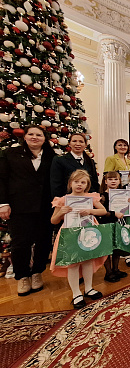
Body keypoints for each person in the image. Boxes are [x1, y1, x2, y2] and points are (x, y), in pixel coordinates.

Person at [0, 125, 56, 296]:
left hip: (45, 206)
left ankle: (37, 272)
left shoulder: (51, 156)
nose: (34, 137)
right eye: (30, 134)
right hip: (20, 206)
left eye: (38, 135)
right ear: (24, 137)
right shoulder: (10, 154)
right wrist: (3, 203)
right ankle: (22, 276)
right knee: (20, 243)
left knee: (44, 241)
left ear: (44, 138)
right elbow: (1, 179)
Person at [50, 169, 107, 309]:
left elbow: (103, 211)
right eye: (76, 182)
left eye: (83, 182)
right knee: (73, 263)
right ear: (70, 183)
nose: (79, 185)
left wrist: (91, 211)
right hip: (70, 233)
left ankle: (88, 288)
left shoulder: (91, 198)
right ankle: (76, 293)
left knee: (88, 260)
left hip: (88, 232)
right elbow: (53, 220)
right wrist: (61, 213)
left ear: (87, 185)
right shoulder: (63, 200)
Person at [98, 171, 129, 283]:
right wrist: (113, 213)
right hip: (106, 224)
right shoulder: (102, 196)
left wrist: (128, 202)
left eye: (115, 179)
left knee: (117, 247)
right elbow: (102, 211)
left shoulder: (122, 194)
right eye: (110, 179)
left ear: (119, 181)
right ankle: (108, 272)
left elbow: (124, 209)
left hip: (118, 223)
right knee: (108, 248)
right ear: (105, 181)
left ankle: (116, 269)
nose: (113, 181)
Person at [50, 133, 99, 198]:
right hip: (67, 200)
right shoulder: (59, 160)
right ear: (69, 144)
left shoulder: (90, 161)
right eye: (74, 141)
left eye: (81, 141)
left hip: (88, 200)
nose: (78, 144)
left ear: (85, 145)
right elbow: (56, 184)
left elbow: (94, 182)